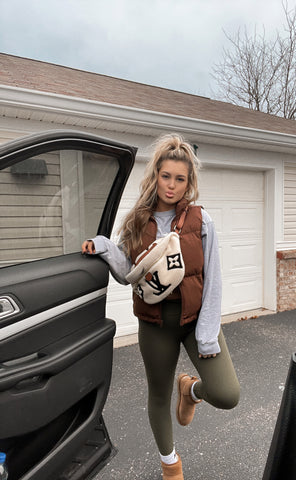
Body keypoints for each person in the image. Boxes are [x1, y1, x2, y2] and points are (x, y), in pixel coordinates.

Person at [82, 134, 240, 480]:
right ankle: (171, 465)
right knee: (158, 396)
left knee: (227, 394)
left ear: (189, 183)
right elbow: (128, 274)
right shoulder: (138, 220)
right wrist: (105, 246)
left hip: (197, 320)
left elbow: (213, 280)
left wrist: (208, 335)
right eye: (166, 176)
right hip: (155, 324)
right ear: (155, 175)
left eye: (180, 179)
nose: (171, 185)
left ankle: (192, 390)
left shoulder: (202, 221)